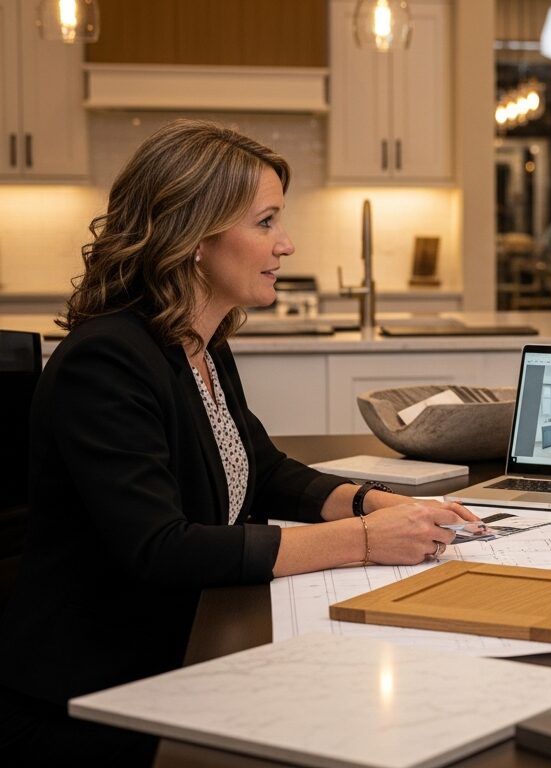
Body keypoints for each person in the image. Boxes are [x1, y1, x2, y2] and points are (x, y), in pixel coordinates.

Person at [0, 119, 487, 763]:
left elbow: (264, 468)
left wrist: (375, 503)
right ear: (194, 237)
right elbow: (161, 549)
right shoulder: (108, 361)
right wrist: (364, 542)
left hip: (179, 646)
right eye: (266, 222)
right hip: (94, 694)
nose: (286, 244)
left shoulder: (198, 341)